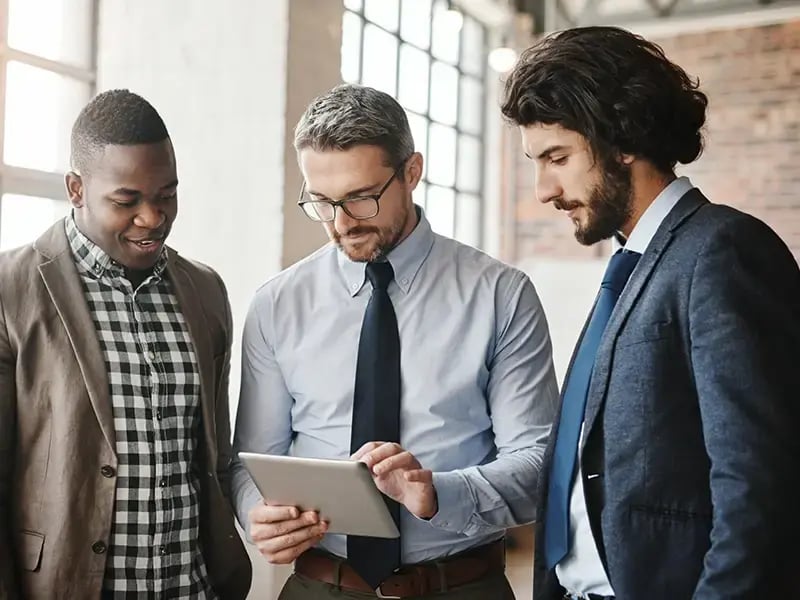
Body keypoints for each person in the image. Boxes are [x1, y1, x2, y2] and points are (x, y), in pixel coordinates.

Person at [501, 26, 800, 600]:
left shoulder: (722, 251)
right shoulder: (630, 265)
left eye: (557, 157)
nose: (543, 189)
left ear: (623, 139)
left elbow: (759, 488)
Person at [231, 83, 560, 599]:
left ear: (411, 172)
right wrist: (258, 511)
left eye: (362, 198)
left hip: (461, 586)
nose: (341, 224)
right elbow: (251, 458)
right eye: (321, 201)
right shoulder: (277, 304)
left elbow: (540, 460)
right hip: (320, 586)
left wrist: (438, 493)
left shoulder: (500, 295)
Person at [0, 89, 252, 599]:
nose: (153, 217)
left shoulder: (205, 291)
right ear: (76, 189)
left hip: (194, 587)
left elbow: (216, 457)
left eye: (167, 195)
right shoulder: (11, 289)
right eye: (127, 200)